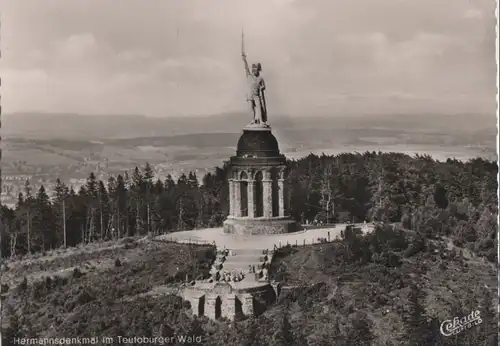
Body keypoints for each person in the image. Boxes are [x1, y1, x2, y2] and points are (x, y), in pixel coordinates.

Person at [242, 53, 267, 125]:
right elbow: (246, 68)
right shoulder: (249, 76)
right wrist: (244, 60)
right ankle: (253, 120)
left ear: (258, 70)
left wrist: (261, 88)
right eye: (253, 69)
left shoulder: (260, 78)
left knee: (259, 107)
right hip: (250, 95)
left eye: (256, 69)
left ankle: (261, 120)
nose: (254, 70)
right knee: (251, 108)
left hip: (257, 95)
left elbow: (264, 86)